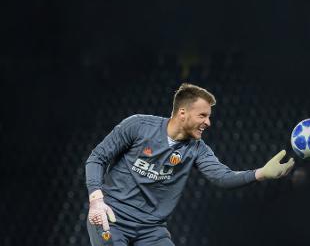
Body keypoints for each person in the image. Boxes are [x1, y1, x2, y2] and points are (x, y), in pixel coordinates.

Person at [85, 83, 294, 246]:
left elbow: (221, 176)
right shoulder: (138, 126)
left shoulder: (197, 149)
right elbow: (97, 158)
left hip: (151, 229)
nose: (208, 122)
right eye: (202, 115)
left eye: (209, 116)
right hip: (111, 217)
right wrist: (96, 200)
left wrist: (260, 173)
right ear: (182, 113)